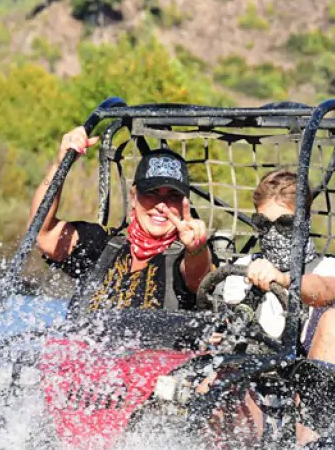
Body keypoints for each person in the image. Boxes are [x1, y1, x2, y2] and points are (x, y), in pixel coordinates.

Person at [221, 168, 335, 446]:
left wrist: (283, 280)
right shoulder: (243, 270)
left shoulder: (329, 268)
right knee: (208, 380)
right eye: (263, 224)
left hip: (309, 385)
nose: (272, 234)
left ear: (302, 223)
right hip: (254, 384)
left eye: (284, 224)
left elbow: (324, 290)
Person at [29, 127, 213, 315]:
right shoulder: (102, 244)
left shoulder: (188, 255)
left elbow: (199, 280)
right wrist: (61, 164)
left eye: (173, 196)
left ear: (185, 204)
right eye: (152, 193)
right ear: (134, 198)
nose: (161, 205)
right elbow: (43, 235)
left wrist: (197, 248)